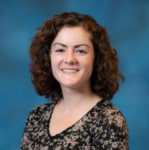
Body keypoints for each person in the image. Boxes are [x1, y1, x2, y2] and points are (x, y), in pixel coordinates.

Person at [21, 12, 129, 150]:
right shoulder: (36, 117)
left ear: (97, 59)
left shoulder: (109, 121)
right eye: (60, 50)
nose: (70, 59)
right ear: (48, 57)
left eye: (80, 51)